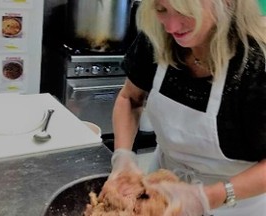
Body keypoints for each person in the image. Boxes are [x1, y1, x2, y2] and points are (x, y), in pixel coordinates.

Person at [107, 0, 266, 215]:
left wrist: (210, 196)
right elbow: (129, 99)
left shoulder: (257, 65)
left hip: (236, 200)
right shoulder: (158, 38)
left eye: (185, 12)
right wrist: (123, 156)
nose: (171, 27)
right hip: (162, 186)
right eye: (161, 10)